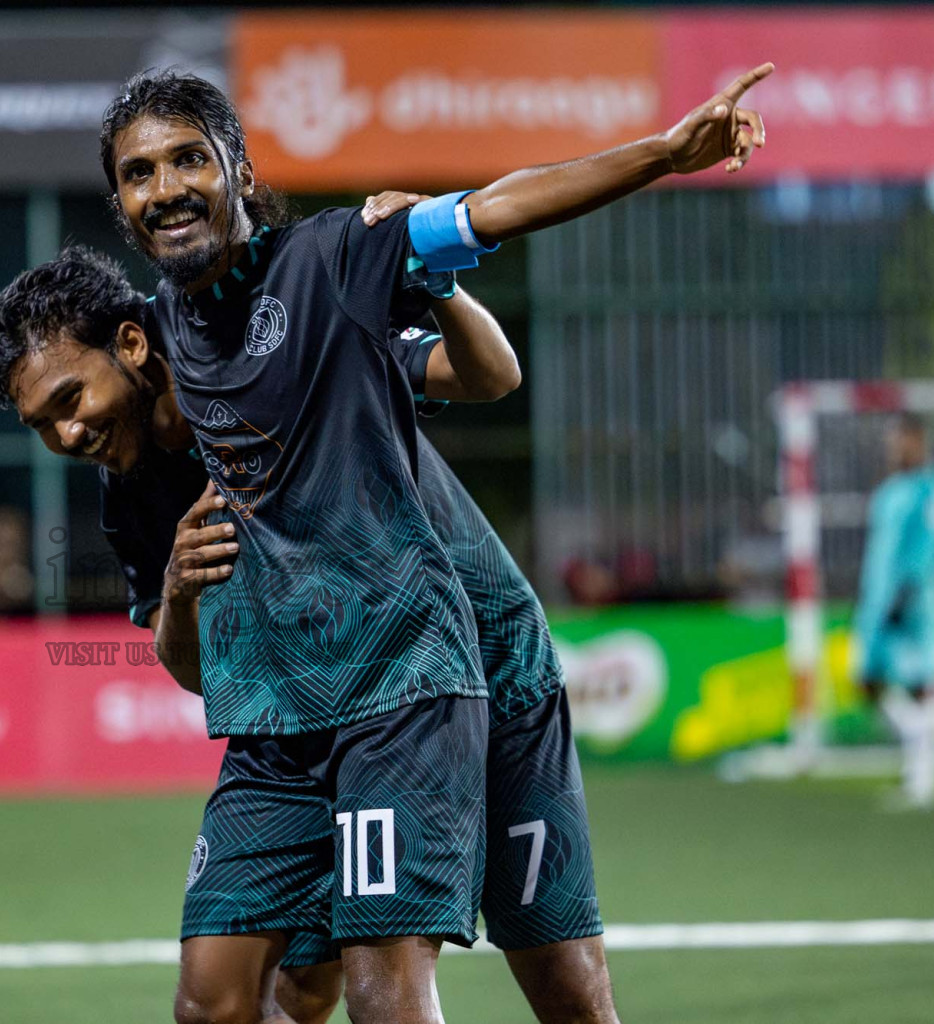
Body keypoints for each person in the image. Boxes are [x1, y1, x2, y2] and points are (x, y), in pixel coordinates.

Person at [83, 65, 770, 1022]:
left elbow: (496, 222)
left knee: (555, 992)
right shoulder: (166, 330)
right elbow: (60, 339)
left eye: (188, 159)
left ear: (238, 166)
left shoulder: (341, 259)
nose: (164, 188)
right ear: (119, 202)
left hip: (462, 666)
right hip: (337, 693)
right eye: (139, 174)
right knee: (295, 987)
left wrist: (663, 154)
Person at [0, 236, 609, 1023]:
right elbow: (196, 668)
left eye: (69, 402)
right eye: (43, 420)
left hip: (477, 659)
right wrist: (177, 590)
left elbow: (473, 369)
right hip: (311, 698)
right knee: (282, 992)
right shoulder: (130, 487)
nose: (67, 435)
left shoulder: (262, 347)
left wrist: (441, 270)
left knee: (562, 989)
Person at [854, 414, 934, 810]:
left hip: (915, 603)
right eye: (892, 441)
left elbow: (930, 544)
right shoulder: (889, 490)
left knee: (919, 686)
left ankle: (923, 778)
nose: (895, 448)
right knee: (868, 683)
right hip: (877, 602)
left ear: (919, 441)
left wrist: (906, 592)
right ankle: (920, 745)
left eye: (903, 441)